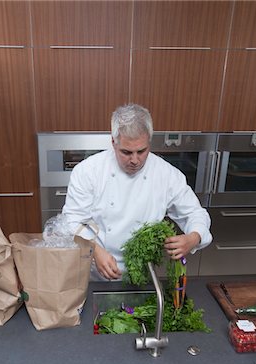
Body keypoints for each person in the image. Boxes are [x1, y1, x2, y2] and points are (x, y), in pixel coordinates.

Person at [63, 103, 212, 281]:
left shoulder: (166, 174)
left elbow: (195, 213)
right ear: (113, 142)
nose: (135, 160)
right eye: (126, 152)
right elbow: (72, 220)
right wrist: (94, 250)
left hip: (142, 275)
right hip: (95, 273)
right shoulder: (88, 171)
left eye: (141, 151)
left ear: (149, 141)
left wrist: (193, 238)